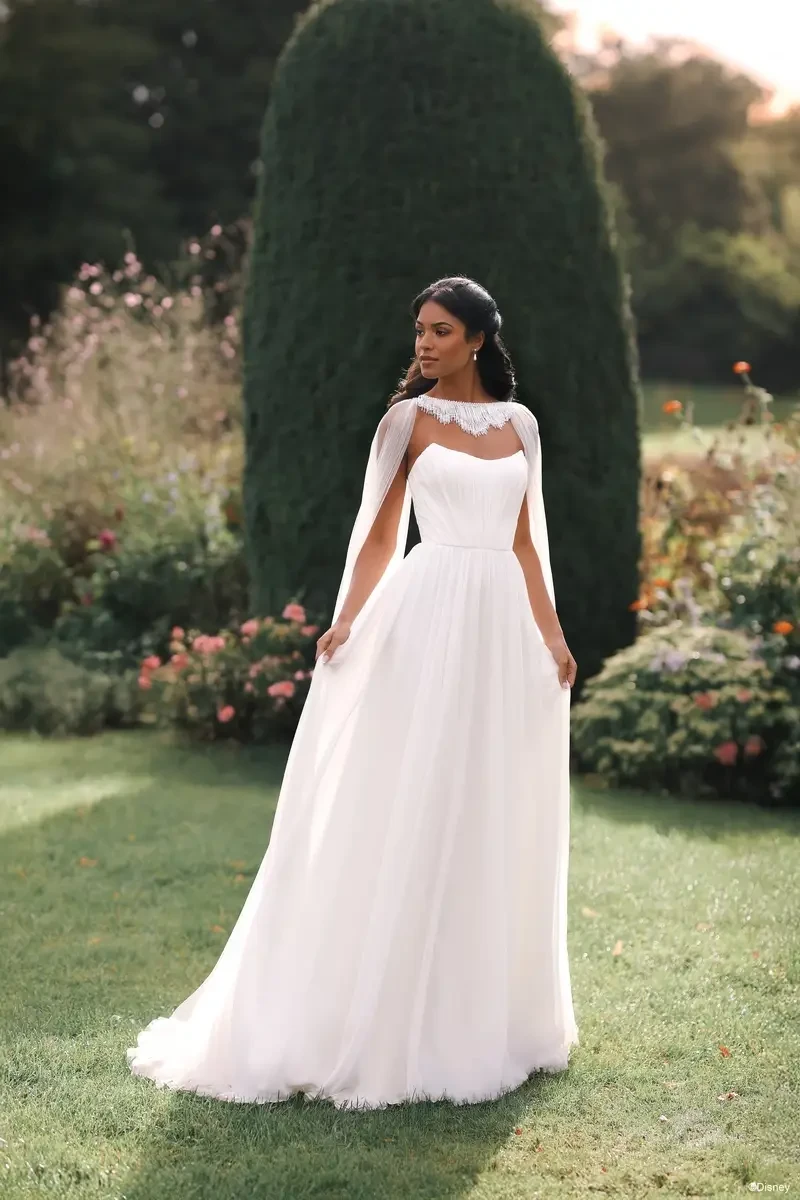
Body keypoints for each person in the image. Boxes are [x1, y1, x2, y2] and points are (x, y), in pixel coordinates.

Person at [127, 275, 580, 1111]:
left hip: (500, 632)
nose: (424, 343)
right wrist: (345, 622)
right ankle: (373, 1008)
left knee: (484, 807)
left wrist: (552, 636)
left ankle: (478, 1012)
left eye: (441, 331)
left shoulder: (522, 427)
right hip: (426, 614)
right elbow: (379, 533)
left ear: (478, 339)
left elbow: (524, 542)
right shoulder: (405, 422)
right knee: (407, 797)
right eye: (420, 330)